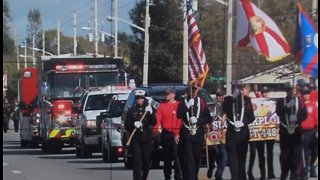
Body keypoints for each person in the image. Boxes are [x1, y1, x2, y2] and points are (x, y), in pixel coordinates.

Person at [176, 85, 212, 180]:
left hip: (198, 133)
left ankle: (194, 176)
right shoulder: (183, 102)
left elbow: (208, 117)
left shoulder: (202, 102)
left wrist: (198, 120)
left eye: (195, 90)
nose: (194, 91)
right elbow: (179, 115)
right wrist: (187, 105)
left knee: (196, 158)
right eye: (192, 89)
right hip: (186, 134)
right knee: (189, 159)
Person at [223, 83, 255, 180]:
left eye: (239, 88)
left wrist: (243, 123)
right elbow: (226, 108)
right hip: (232, 135)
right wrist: (233, 97)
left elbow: (251, 117)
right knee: (233, 162)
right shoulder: (228, 100)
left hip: (243, 135)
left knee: (241, 160)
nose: (238, 90)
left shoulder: (247, 100)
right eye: (235, 88)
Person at [276, 83, 307, 180]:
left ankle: (294, 176)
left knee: (295, 157)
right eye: (289, 90)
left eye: (292, 90)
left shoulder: (300, 101)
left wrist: (297, 118)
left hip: (296, 132)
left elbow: (304, 114)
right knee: (285, 157)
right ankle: (284, 174)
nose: (291, 92)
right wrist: (287, 106)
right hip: (285, 132)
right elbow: (279, 112)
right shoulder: (281, 101)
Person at [124, 90, 157, 180]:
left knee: (146, 162)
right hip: (135, 140)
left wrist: (151, 113)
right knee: (137, 163)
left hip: (146, 139)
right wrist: (133, 124)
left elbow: (154, 122)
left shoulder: (148, 110)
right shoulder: (131, 110)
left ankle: (144, 178)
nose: (140, 100)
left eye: (141, 98)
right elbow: (126, 125)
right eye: (138, 98)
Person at [154, 87, 182, 180]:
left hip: (176, 134)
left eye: (168, 94)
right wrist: (156, 130)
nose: (166, 95)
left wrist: (178, 133)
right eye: (166, 93)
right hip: (166, 134)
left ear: (173, 95)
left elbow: (181, 120)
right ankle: (167, 176)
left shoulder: (179, 105)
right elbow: (158, 118)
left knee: (176, 156)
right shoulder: (162, 106)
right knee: (167, 157)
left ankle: (178, 176)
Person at [248, 86, 269, 180]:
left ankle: (263, 174)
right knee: (252, 153)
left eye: (266, 92)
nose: (265, 93)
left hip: (262, 132)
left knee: (261, 154)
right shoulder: (255, 102)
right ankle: (249, 171)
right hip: (253, 132)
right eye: (263, 92)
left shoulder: (270, 103)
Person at [207, 88, 228, 180]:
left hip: (223, 133)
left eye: (221, 95)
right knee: (214, 152)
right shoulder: (212, 106)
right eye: (218, 96)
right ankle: (211, 167)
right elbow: (209, 117)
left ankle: (218, 174)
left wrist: (225, 116)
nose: (219, 97)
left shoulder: (227, 105)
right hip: (213, 133)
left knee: (223, 155)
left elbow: (231, 114)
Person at [300, 85, 318, 180]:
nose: (306, 95)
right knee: (306, 154)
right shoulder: (300, 105)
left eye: (307, 93)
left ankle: (313, 170)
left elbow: (316, 118)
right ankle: (305, 172)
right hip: (303, 131)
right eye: (304, 93)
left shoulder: (313, 104)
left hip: (313, 130)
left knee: (315, 152)